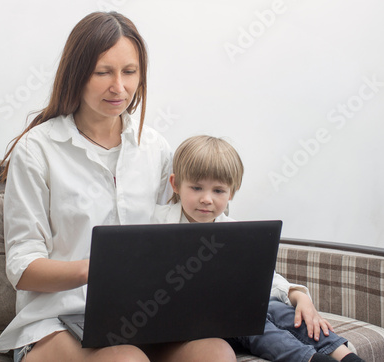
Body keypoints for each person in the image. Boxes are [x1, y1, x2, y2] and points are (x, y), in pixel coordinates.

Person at [0, 12, 236, 362]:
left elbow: (186, 232)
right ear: (76, 74)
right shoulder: (37, 150)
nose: (118, 87)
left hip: (147, 315)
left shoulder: (155, 149)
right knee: (126, 359)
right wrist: (96, 268)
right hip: (58, 319)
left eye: (129, 72)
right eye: (103, 72)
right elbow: (22, 267)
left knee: (217, 352)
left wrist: (288, 291)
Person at [152, 135, 365, 362]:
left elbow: (261, 279)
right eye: (196, 188)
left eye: (218, 191)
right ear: (175, 185)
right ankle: (308, 359)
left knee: (277, 310)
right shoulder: (156, 224)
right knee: (251, 321)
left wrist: (298, 296)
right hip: (192, 322)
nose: (207, 199)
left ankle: (344, 355)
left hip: (230, 315)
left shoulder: (235, 232)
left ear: (231, 193)